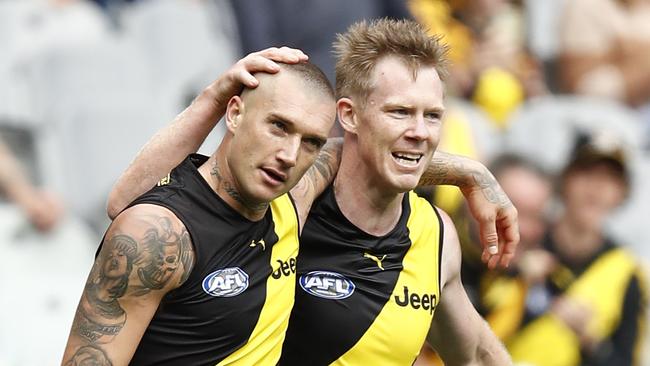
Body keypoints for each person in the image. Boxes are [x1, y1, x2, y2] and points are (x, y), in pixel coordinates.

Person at [107, 20, 518, 365]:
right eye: (399, 112)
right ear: (349, 115)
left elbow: (478, 355)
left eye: (432, 116)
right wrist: (215, 97)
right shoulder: (286, 201)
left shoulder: (434, 236)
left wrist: (473, 173)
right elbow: (132, 206)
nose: (419, 131)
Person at [62, 49, 339, 365]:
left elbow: (364, 147)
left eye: (311, 142)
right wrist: (212, 98)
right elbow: (123, 206)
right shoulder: (159, 236)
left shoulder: (292, 201)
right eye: (278, 126)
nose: (290, 155)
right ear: (233, 113)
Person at [507, 132, 647, 366]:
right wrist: (513, 277)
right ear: (565, 180)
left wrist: (590, 340)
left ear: (622, 193)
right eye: (586, 173)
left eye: (611, 179)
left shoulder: (627, 273)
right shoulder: (525, 238)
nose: (597, 188)